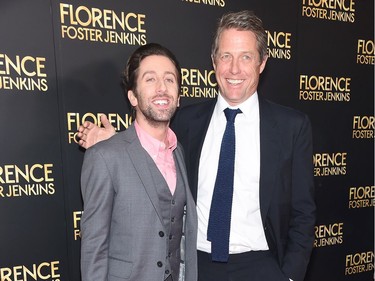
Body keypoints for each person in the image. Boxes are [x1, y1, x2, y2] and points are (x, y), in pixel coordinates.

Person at [78, 10, 316, 281]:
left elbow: (303, 213)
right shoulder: (187, 122)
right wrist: (114, 142)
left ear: (262, 62)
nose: (234, 69)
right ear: (214, 62)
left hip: (262, 265)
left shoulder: (291, 127)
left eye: (246, 57)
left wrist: (290, 276)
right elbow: (150, 143)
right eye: (226, 56)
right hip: (197, 266)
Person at [80, 43, 198, 281]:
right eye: (150, 79)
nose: (162, 88)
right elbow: (94, 247)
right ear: (133, 96)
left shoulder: (180, 152)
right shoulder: (104, 157)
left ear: (178, 98)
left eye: (169, 79)